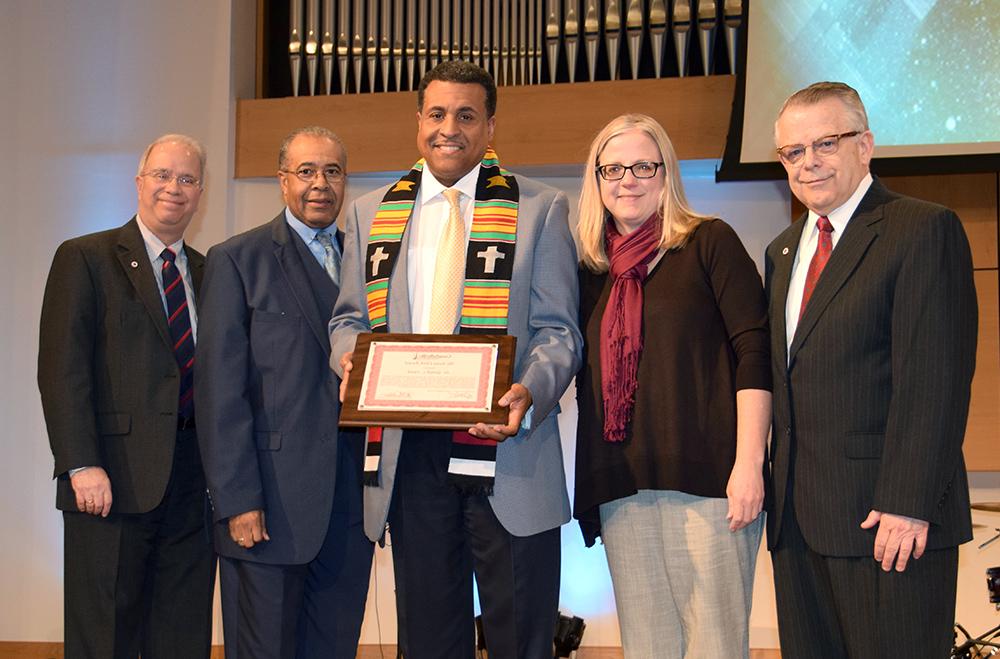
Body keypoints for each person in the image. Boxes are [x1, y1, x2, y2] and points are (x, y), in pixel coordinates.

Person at [329, 60, 582, 659]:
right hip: (411, 457)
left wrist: (529, 392)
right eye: (438, 114)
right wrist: (350, 363)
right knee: (428, 637)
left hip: (506, 449)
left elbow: (559, 333)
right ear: (418, 122)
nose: (450, 128)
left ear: (490, 127)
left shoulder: (540, 208)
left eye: (466, 116)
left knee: (521, 636)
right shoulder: (370, 213)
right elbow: (346, 320)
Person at [765, 82, 977, 657]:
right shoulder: (783, 251)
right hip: (797, 523)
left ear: (866, 145)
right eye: (792, 151)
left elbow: (935, 382)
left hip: (888, 523)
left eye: (825, 143)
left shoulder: (921, 229)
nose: (808, 162)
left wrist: (908, 503)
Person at [573, 113, 772, 658]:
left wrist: (749, 465)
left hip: (712, 485)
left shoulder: (710, 242)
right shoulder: (592, 270)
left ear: (666, 173)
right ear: (596, 180)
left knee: (714, 647)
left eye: (642, 165)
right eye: (612, 168)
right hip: (622, 485)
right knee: (647, 648)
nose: (627, 179)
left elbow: (755, 354)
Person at [196, 126, 373, 659]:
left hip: (350, 506)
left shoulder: (367, 264)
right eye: (306, 171)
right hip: (267, 505)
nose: (320, 184)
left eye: (333, 171)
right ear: (282, 181)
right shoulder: (237, 259)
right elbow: (219, 392)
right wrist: (238, 500)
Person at [37, 134, 215, 658]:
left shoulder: (209, 272)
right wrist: (79, 463)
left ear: (200, 192)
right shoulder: (85, 258)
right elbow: (61, 369)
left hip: (192, 482)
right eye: (162, 175)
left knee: (182, 636)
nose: (173, 189)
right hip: (108, 481)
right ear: (139, 182)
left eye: (186, 179)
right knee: (105, 639)